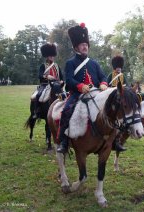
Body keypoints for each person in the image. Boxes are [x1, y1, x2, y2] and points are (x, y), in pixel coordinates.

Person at [57, 23, 108, 154]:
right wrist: (80, 86)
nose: (85, 46)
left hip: (96, 93)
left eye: (86, 45)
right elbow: (69, 80)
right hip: (77, 94)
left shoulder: (94, 63)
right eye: (82, 45)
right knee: (66, 110)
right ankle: (63, 140)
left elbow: (103, 76)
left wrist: (103, 83)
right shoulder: (70, 63)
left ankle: (114, 139)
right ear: (76, 48)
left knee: (111, 109)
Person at [34, 43, 63, 118]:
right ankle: (36, 111)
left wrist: (62, 81)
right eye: (50, 56)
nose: (52, 57)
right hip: (45, 85)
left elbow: (62, 77)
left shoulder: (57, 66)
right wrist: (47, 76)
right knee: (38, 95)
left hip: (56, 85)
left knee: (63, 96)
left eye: (53, 56)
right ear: (47, 56)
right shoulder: (43, 66)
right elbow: (40, 76)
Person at [106, 55, 129, 152]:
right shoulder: (110, 75)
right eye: (117, 67)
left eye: (120, 67)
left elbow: (127, 86)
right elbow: (106, 86)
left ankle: (120, 137)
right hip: (112, 98)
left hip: (121, 99)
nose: (119, 68)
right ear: (115, 67)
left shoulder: (123, 76)